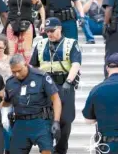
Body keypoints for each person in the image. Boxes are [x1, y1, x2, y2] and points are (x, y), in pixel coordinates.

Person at [30, 17, 81, 154]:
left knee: (65, 119)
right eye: (47, 31)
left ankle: (61, 149)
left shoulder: (71, 43)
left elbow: (76, 64)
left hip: (64, 83)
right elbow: (33, 66)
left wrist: (69, 82)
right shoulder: (41, 44)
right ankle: (47, 148)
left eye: (52, 30)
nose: (50, 34)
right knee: (46, 117)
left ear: (60, 28)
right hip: (45, 84)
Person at [3, 54, 62, 154]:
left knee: (47, 151)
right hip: (20, 123)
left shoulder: (41, 77)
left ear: (25, 65)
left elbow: (56, 99)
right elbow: (6, 102)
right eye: (13, 72)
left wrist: (56, 121)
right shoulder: (10, 82)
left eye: (19, 70)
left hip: (41, 122)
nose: (16, 74)